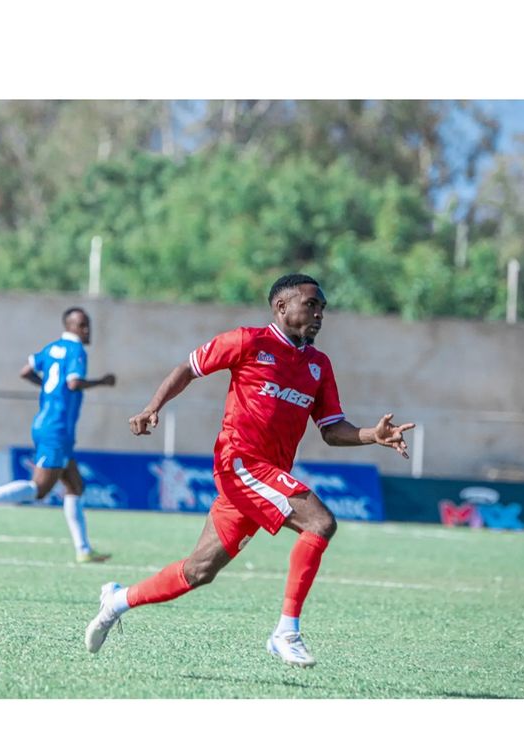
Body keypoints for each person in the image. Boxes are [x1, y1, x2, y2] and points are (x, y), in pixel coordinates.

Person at [83, 274, 415, 667]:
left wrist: (372, 435)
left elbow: (331, 429)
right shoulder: (248, 341)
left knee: (199, 571)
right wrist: (152, 407)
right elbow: (189, 368)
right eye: (311, 305)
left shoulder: (319, 365)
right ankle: (286, 632)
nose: (319, 315)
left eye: (323, 308)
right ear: (281, 307)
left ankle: (116, 601)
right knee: (320, 522)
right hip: (239, 464)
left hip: (262, 479)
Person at [0, 308, 116, 562]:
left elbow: (26, 371)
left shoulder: (51, 348)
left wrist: (47, 387)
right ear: (70, 326)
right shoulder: (77, 350)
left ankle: (83, 550)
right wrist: (102, 382)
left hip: (49, 425)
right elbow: (73, 383)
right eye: (82, 325)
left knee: (75, 485)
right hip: (56, 428)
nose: (87, 330)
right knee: (39, 489)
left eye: (88, 324)